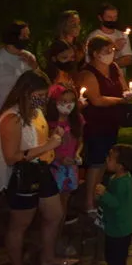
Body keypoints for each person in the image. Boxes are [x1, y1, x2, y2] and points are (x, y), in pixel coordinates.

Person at [0, 71, 79, 265]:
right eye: (39, 95)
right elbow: (12, 157)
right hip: (22, 176)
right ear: (25, 93)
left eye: (44, 95)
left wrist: (53, 137)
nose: (43, 100)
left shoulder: (35, 111)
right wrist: (48, 146)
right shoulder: (12, 119)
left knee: (54, 214)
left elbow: (39, 139)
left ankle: (47, 258)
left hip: (41, 169)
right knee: (19, 225)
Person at [0, 21, 38, 212]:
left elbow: (38, 84)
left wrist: (34, 66)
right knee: (0, 158)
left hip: (27, 117)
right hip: (5, 117)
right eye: (24, 35)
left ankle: (20, 189)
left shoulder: (28, 57)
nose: (27, 39)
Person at [78, 35, 132, 213]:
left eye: (112, 50)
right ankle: (88, 202)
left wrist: (127, 94)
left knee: (104, 161)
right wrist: (120, 101)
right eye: (106, 51)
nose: (111, 54)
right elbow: (97, 100)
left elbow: (123, 87)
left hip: (112, 122)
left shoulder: (114, 67)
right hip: (96, 123)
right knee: (96, 162)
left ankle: (97, 194)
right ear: (95, 53)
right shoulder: (88, 73)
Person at [93, 144, 132, 265]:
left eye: (110, 158)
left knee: (113, 252)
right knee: (120, 251)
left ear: (120, 165)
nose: (107, 160)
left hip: (118, 227)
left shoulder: (121, 183)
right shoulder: (122, 177)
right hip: (123, 225)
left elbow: (115, 203)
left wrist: (103, 194)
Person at [45, 83, 84, 229]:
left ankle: (59, 234)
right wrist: (60, 158)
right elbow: (45, 148)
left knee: (64, 204)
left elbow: (80, 140)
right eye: (63, 101)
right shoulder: (48, 124)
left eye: (71, 101)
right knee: (52, 209)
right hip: (53, 169)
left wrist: (78, 154)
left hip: (70, 168)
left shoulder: (76, 119)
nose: (68, 105)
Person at [85, 4, 132, 69]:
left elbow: (128, 59)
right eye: (109, 17)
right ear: (100, 18)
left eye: (115, 17)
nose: (113, 20)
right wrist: (114, 48)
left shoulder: (122, 35)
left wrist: (108, 62)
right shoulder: (93, 37)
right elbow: (90, 61)